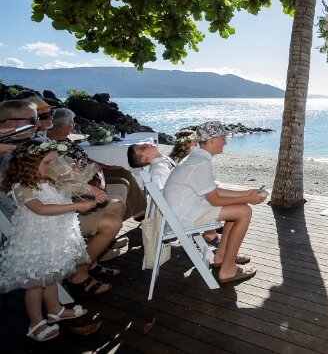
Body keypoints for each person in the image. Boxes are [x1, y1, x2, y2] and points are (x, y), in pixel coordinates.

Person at [0, 141, 94, 342]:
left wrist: (94, 192)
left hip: (56, 238)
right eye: (47, 163)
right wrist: (76, 206)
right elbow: (40, 209)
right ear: (29, 165)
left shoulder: (53, 181)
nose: (53, 167)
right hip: (36, 242)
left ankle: (55, 310)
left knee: (51, 275)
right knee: (35, 285)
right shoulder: (22, 186)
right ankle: (35, 322)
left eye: (54, 162)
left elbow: (76, 186)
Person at [163, 121, 266, 285]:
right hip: (184, 216)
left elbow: (214, 191)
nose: (225, 142)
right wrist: (248, 198)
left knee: (240, 209)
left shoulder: (196, 157)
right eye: (223, 138)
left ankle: (221, 257)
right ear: (211, 140)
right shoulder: (199, 163)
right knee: (244, 212)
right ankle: (228, 269)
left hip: (183, 210)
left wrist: (246, 193)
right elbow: (215, 199)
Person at [49, 108, 147, 220]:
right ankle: (137, 214)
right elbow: (67, 170)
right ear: (61, 126)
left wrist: (106, 166)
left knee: (124, 172)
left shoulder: (65, 140)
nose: (74, 125)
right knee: (124, 178)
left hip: (93, 171)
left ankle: (139, 211)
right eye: (71, 122)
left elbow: (85, 158)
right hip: (85, 177)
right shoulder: (53, 146)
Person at [128, 134, 220, 247]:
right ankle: (213, 236)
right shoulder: (158, 171)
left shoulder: (163, 163)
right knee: (217, 201)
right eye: (142, 148)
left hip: (179, 209)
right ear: (144, 159)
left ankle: (213, 234)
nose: (146, 144)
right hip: (177, 217)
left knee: (215, 196)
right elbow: (165, 197)